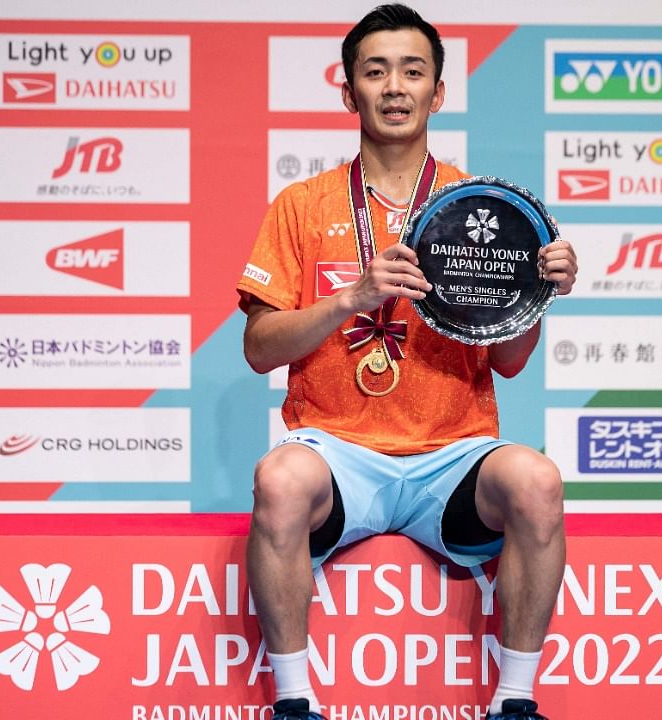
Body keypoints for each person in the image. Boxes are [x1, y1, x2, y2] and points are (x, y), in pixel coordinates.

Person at [236, 5, 577, 720]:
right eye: (376, 71)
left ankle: (515, 702)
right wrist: (348, 299)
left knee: (539, 480)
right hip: (337, 451)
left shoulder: (482, 208)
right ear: (349, 91)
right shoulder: (302, 205)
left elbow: (510, 362)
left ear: (438, 93)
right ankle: (294, 702)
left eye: (413, 71)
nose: (395, 86)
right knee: (278, 477)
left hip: (451, 456)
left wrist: (537, 291)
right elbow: (259, 345)